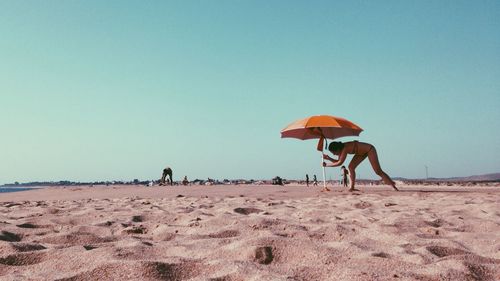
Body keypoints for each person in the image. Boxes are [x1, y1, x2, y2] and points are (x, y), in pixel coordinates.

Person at [323, 141, 398, 191]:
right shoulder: (342, 149)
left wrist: (326, 165)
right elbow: (337, 161)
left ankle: (393, 185)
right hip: (360, 153)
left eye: (333, 152)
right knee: (351, 167)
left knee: (378, 171)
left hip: (370, 149)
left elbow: (339, 163)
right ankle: (352, 188)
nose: (333, 154)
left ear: (338, 149)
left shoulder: (345, 148)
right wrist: (329, 158)